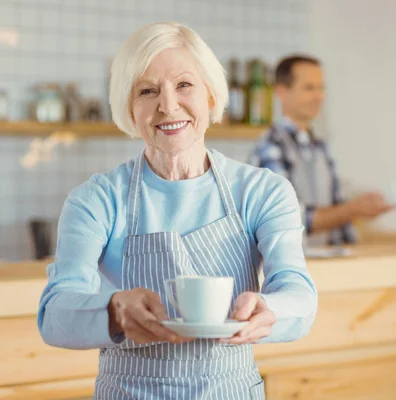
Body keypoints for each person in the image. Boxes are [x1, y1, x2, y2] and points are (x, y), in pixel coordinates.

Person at [36, 22, 317, 399]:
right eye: (147, 91)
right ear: (129, 109)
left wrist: (268, 309)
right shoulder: (96, 199)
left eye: (184, 85)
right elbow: (55, 315)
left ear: (212, 96)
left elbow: (298, 293)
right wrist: (115, 309)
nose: (168, 105)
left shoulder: (262, 191)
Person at [248, 55, 393, 247]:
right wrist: (354, 209)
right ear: (282, 92)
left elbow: (338, 210)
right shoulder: (270, 147)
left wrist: (357, 210)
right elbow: (289, 219)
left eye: (321, 88)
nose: (319, 96)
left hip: (325, 267)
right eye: (309, 88)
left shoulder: (321, 147)